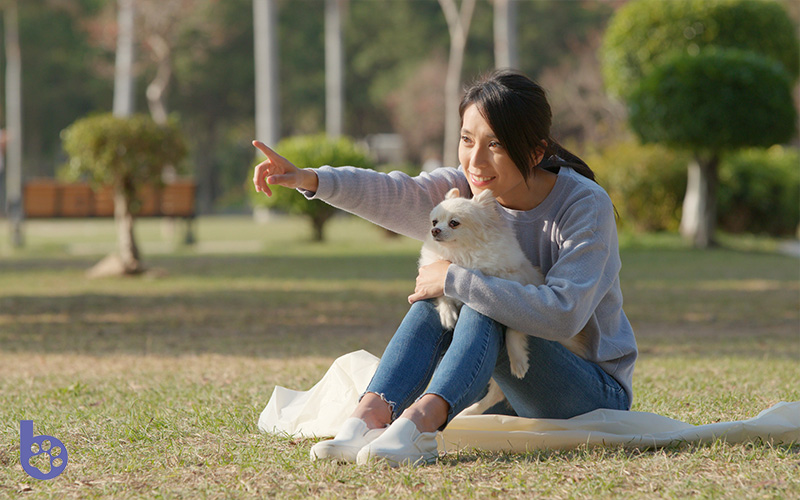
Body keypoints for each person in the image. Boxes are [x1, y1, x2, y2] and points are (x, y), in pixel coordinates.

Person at [252, 69, 637, 467]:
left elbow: (564, 314)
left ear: (536, 152)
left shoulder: (583, 205)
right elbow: (394, 193)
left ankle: (420, 425)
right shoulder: (465, 192)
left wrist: (455, 279)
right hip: (504, 391)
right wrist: (311, 179)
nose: (475, 160)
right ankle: (367, 419)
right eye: (467, 140)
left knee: (472, 294)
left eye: (496, 144)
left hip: (588, 392)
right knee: (440, 298)